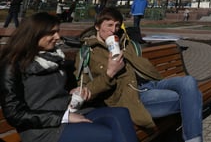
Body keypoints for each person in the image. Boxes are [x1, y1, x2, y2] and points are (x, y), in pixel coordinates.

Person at [0, 12, 138, 142]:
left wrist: (77, 91)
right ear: (34, 35)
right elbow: (14, 114)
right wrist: (64, 117)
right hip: (44, 128)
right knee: (109, 135)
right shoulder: (13, 65)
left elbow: (63, 89)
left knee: (121, 114)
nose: (58, 37)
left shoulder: (55, 58)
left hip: (69, 111)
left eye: (57, 31)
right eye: (52, 33)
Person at [77, 7, 203, 142]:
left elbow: (145, 68)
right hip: (134, 97)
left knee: (189, 81)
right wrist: (110, 72)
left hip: (150, 84)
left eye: (117, 25)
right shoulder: (88, 53)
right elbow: (85, 91)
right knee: (193, 96)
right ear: (97, 26)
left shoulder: (126, 43)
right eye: (109, 25)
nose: (114, 30)